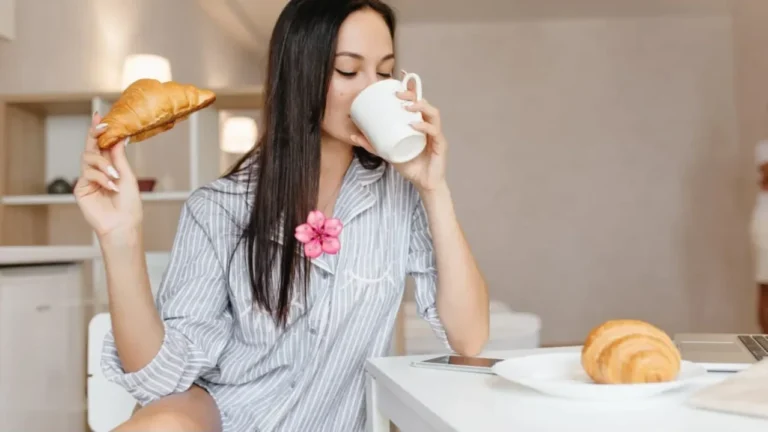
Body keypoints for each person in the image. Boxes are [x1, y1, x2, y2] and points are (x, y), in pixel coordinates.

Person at [75, 0, 489, 430]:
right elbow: (162, 381)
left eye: (384, 72)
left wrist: (433, 188)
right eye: (348, 71)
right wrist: (118, 235)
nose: (372, 88)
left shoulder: (398, 197)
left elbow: (469, 337)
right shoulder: (218, 207)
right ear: (299, 74)